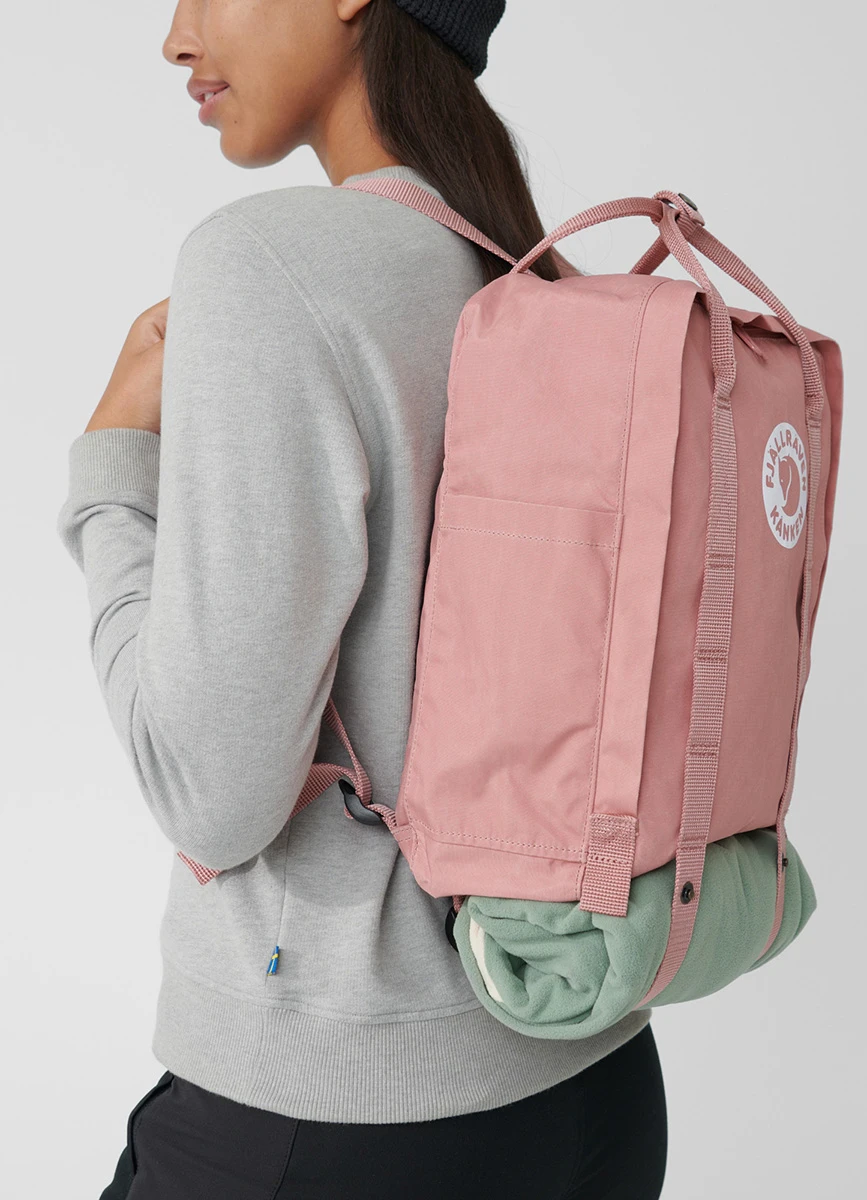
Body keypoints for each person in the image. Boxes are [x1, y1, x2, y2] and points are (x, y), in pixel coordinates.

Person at [57, 2, 668, 1196]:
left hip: (335, 1105)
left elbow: (209, 793)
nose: (176, 37)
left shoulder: (268, 262)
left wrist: (112, 475)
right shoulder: (540, 277)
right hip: (594, 1077)